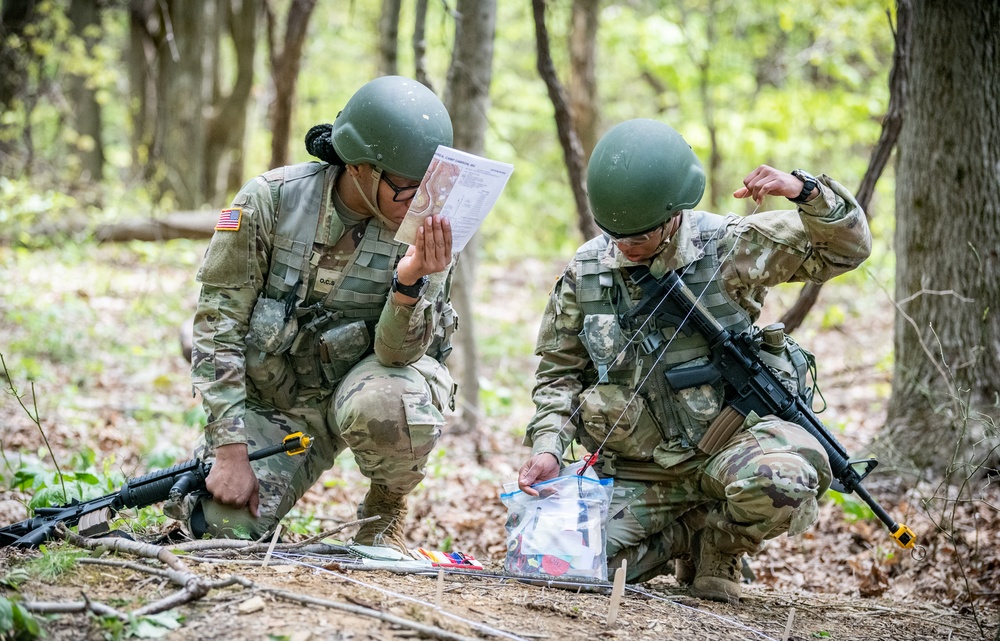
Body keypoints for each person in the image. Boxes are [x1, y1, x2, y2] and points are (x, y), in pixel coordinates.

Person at [516, 118, 871, 604]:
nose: (624, 246)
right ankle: (685, 535)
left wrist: (805, 190)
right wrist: (550, 446)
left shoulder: (731, 245)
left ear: (672, 214)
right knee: (552, 563)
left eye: (638, 235)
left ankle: (722, 543)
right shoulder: (587, 271)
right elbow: (558, 373)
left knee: (783, 478)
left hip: (729, 451)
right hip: (640, 471)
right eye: (614, 234)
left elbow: (847, 250)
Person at [165, 76, 459, 550]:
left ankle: (385, 510)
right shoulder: (271, 201)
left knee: (395, 402)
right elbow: (217, 328)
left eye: (428, 188)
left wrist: (411, 283)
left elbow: (398, 354)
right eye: (407, 189)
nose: (419, 203)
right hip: (277, 403)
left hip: (365, 389)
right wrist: (230, 448)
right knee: (219, 529)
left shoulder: (427, 228)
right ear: (362, 168)